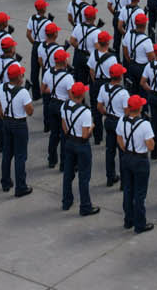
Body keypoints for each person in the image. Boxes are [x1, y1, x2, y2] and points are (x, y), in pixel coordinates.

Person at [116, 94, 156, 232]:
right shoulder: (145, 125)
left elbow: (119, 138)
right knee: (139, 194)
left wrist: (126, 149)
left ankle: (128, 220)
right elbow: (151, 146)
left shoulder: (122, 120)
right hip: (140, 159)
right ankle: (140, 224)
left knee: (128, 190)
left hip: (127, 157)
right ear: (139, 108)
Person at [61, 80, 100, 215]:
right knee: (84, 177)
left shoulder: (64, 106)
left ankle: (66, 201)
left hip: (69, 142)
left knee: (68, 173)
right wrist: (92, 127)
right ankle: (85, 206)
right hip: (81, 145)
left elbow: (65, 128)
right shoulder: (85, 112)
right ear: (82, 95)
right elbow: (85, 135)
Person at [0, 61, 35, 196]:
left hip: (6, 122)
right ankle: (21, 186)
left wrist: (4, 118)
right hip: (19, 124)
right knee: (20, 156)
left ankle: (5, 182)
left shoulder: (1, 88)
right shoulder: (23, 92)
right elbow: (30, 111)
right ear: (18, 78)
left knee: (7, 153)